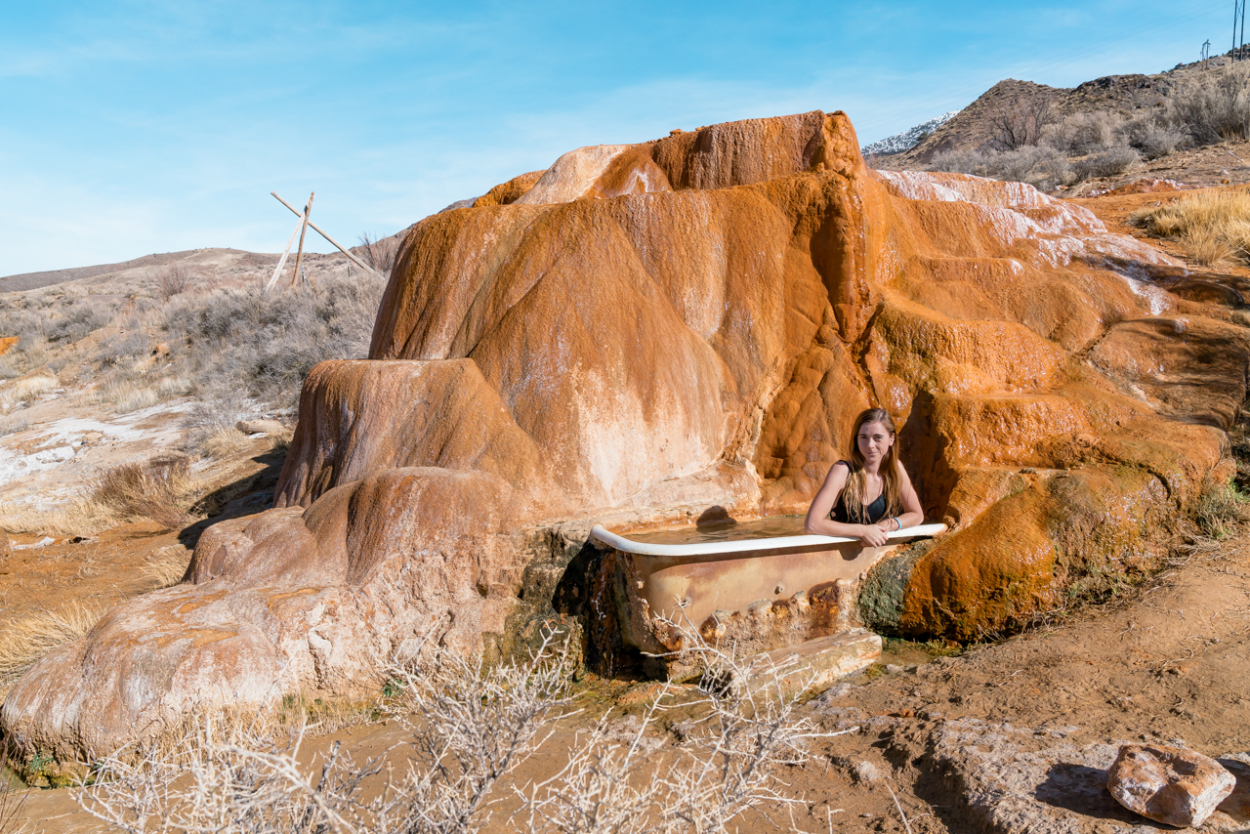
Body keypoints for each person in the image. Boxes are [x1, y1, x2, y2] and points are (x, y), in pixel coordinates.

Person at [804, 407, 924, 547]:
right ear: (856, 440)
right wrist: (863, 531)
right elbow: (812, 524)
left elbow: (917, 515)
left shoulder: (895, 470)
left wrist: (889, 524)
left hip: (874, 558)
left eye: (877, 437)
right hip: (838, 558)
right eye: (864, 437)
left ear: (891, 439)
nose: (870, 445)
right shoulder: (842, 471)